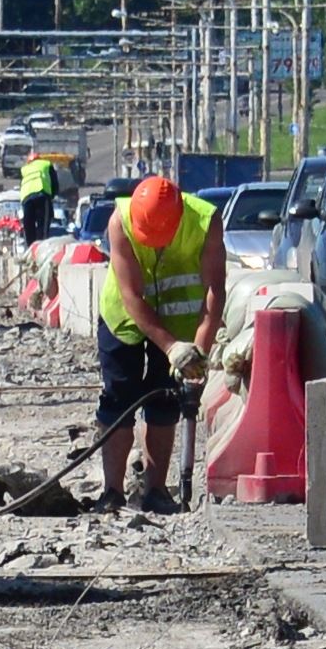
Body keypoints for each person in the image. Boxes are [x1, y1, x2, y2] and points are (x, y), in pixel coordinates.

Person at [93, 167, 222, 513]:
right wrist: (171, 348)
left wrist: (199, 351)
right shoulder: (120, 221)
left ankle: (156, 491)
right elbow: (132, 296)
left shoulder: (204, 221)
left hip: (179, 319)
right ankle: (113, 493)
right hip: (124, 317)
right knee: (119, 398)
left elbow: (214, 291)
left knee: (166, 399)